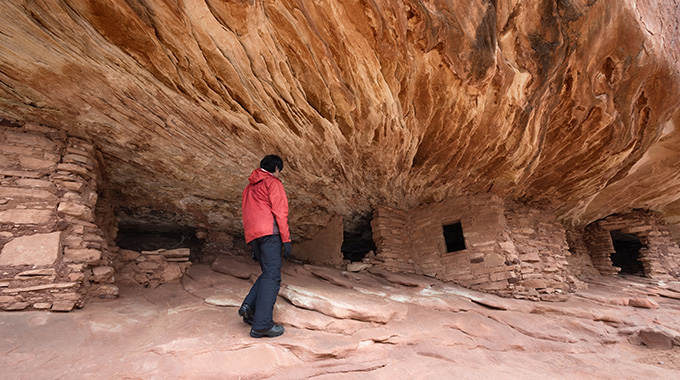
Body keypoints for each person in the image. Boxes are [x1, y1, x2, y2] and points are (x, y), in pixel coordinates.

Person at [238, 155, 292, 338]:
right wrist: (286, 239)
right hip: (269, 234)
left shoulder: (248, 188)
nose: (279, 173)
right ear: (276, 168)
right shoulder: (272, 183)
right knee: (273, 277)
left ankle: (249, 307)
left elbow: (247, 214)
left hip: (255, 235)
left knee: (267, 273)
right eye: (279, 170)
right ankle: (262, 325)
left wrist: (252, 243)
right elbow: (280, 211)